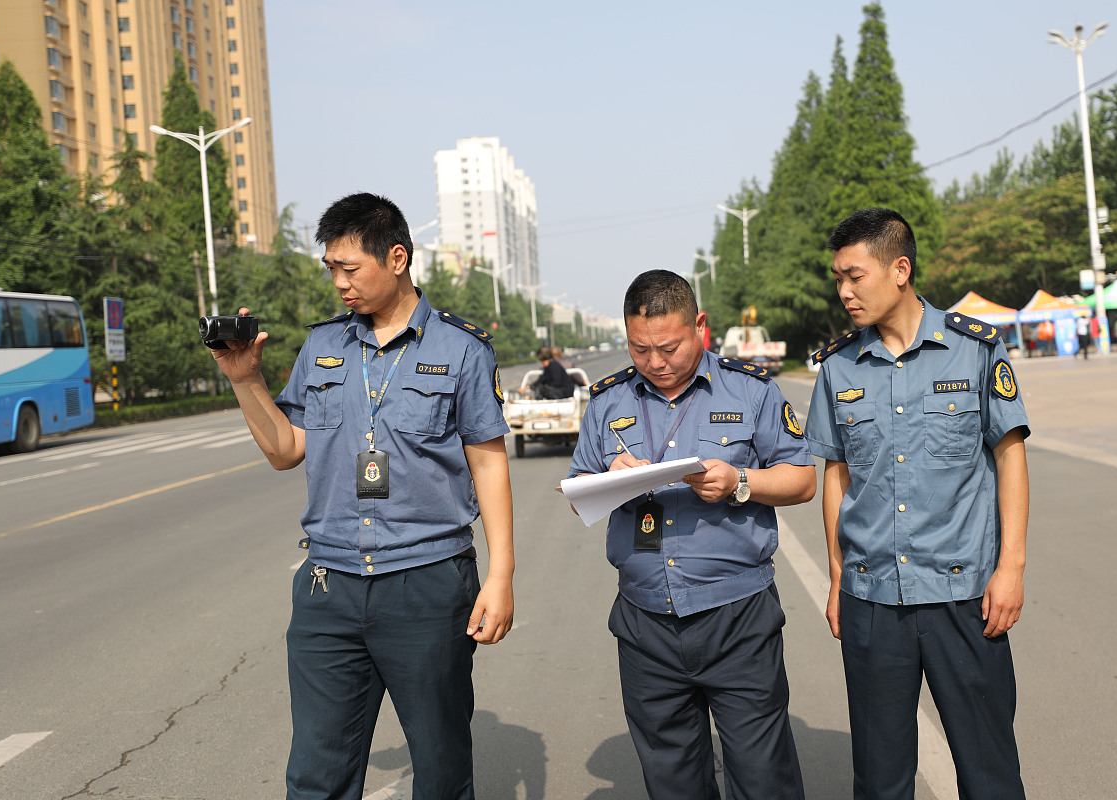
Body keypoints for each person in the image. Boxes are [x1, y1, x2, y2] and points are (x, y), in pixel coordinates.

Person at [211, 192, 515, 800]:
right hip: (330, 588)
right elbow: (283, 449)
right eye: (331, 269)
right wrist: (246, 380)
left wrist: (501, 574)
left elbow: (488, 464)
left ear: (397, 258)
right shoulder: (323, 346)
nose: (339, 283)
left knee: (440, 770)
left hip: (427, 583)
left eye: (350, 269)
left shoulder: (461, 350)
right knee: (316, 774)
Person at [804, 208, 1030, 800]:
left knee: (990, 773)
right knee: (880, 780)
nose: (844, 291)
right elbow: (835, 475)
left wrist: (1011, 568)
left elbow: (1009, 457)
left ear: (899, 269)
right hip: (872, 600)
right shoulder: (837, 367)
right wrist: (835, 575)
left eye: (855, 275)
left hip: (965, 597)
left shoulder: (974, 350)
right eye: (838, 278)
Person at [568, 270, 816, 800]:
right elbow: (579, 490)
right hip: (645, 622)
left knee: (762, 773)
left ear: (700, 326)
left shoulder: (751, 390)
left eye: (669, 347)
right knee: (671, 776)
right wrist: (611, 483)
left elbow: (802, 479)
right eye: (640, 349)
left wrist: (740, 481)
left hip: (737, 618)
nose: (655, 362)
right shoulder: (609, 401)